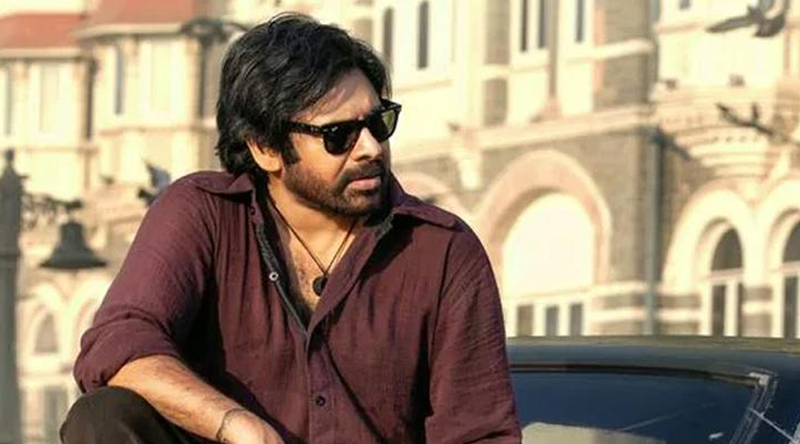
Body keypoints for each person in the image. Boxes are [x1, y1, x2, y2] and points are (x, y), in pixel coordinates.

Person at [61, 13, 520, 444]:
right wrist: (234, 423)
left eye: (379, 123)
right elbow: (118, 342)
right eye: (338, 136)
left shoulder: (441, 251)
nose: (370, 148)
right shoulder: (202, 214)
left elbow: (478, 432)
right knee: (103, 415)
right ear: (265, 149)